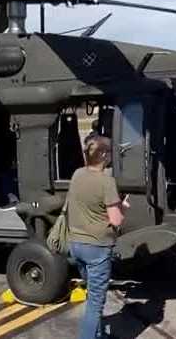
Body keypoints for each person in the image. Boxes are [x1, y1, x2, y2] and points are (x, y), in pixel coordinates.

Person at [67, 136, 127, 339]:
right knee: (95, 304)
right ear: (103, 155)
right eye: (109, 152)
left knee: (91, 296)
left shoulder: (77, 174)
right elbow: (116, 220)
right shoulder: (106, 181)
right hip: (97, 249)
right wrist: (122, 206)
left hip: (76, 246)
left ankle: (98, 335)